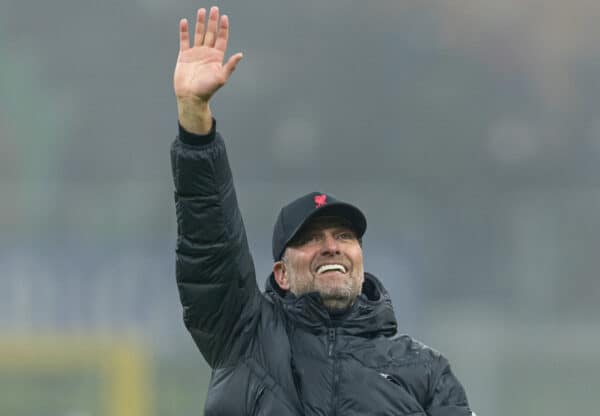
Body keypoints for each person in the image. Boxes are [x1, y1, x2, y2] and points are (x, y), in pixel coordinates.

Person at [171, 6, 475, 415]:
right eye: (310, 238)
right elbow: (209, 242)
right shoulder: (244, 338)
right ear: (280, 273)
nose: (331, 246)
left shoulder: (426, 371)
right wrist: (194, 120)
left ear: (361, 261)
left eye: (344, 236)